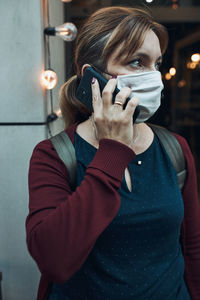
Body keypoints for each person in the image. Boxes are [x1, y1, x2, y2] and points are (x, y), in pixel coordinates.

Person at [26, 6, 200, 300]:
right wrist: (113, 152)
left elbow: (193, 247)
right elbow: (53, 260)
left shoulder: (175, 149)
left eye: (155, 63)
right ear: (91, 78)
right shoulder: (53, 156)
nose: (154, 78)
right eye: (137, 62)